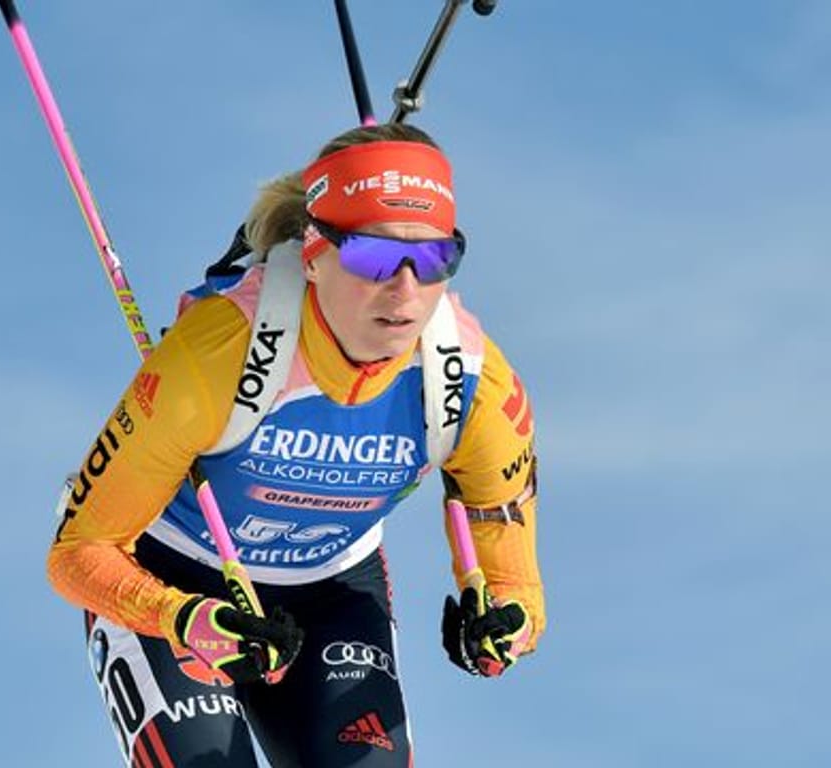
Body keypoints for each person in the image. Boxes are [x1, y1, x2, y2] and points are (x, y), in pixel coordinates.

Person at [47, 122, 543, 766]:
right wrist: (180, 615)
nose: (404, 291)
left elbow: (516, 585)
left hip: (330, 593)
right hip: (167, 573)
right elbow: (80, 551)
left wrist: (502, 625)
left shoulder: (472, 380)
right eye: (372, 257)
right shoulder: (218, 355)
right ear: (314, 252)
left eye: (431, 261)